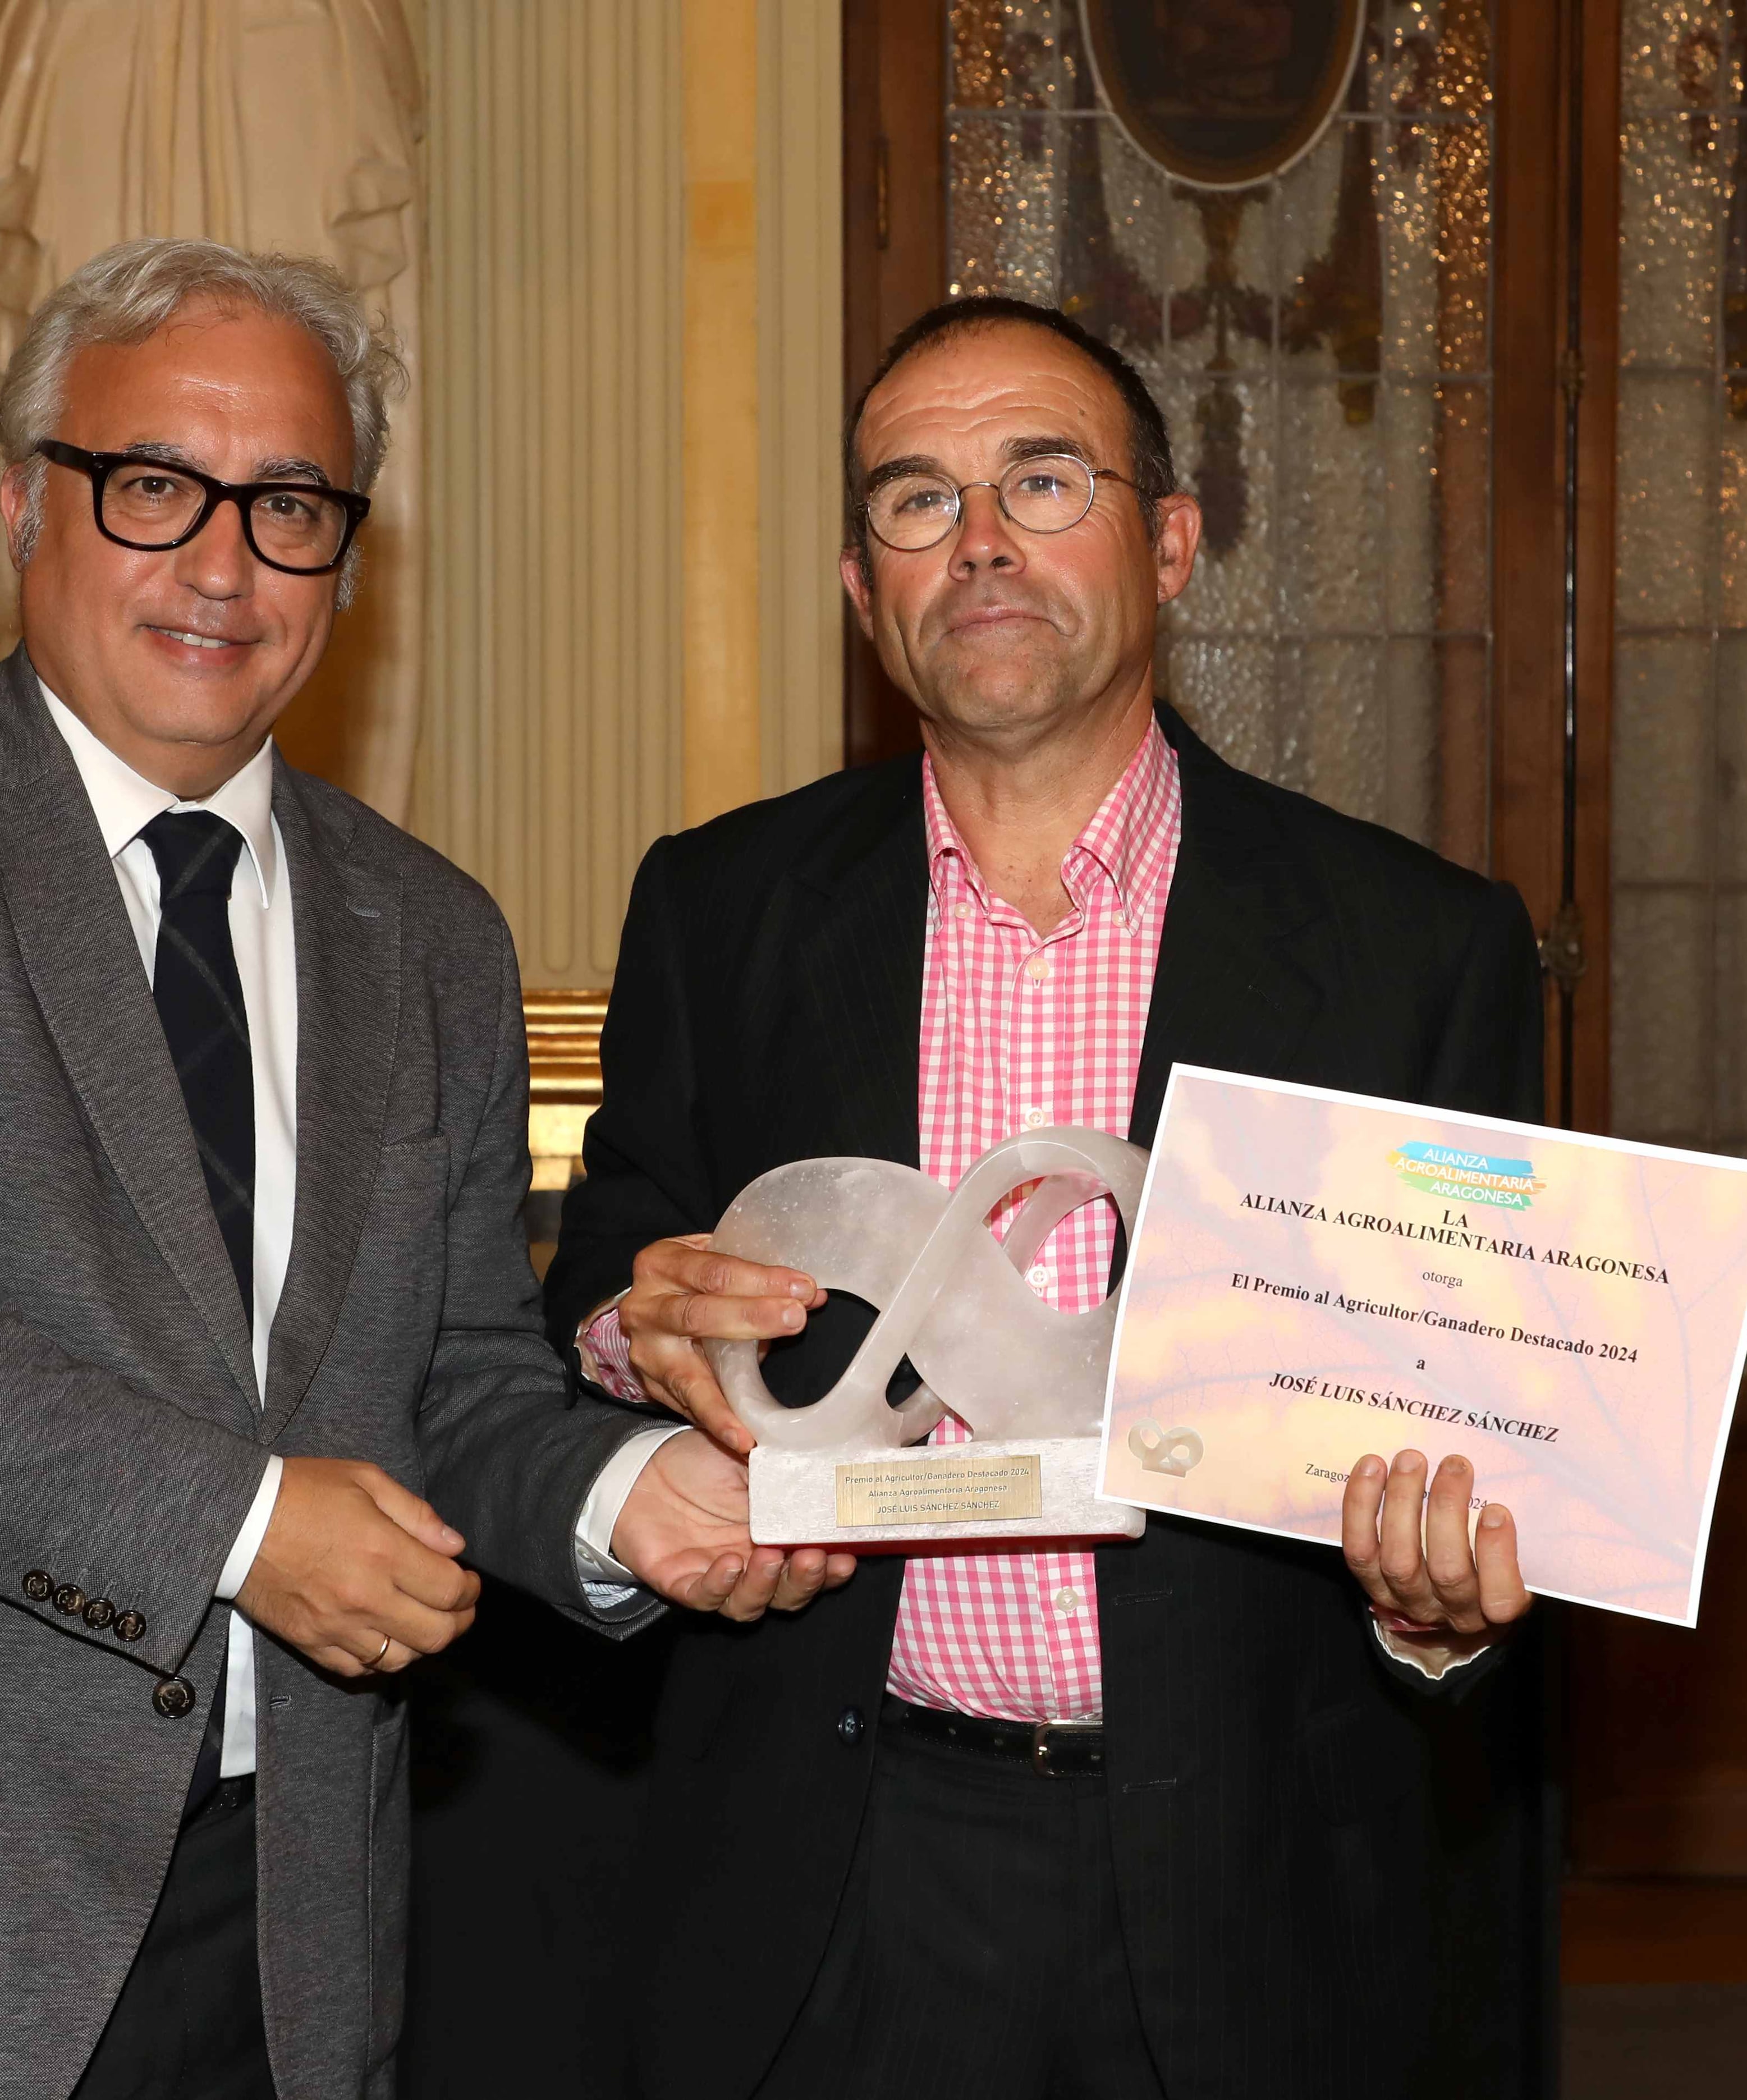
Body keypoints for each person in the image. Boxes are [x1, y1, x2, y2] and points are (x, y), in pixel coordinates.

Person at [0, 239, 840, 2100]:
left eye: (290, 504)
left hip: (286, 1924)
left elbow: (452, 1374)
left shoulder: (428, 930)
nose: (223, 563)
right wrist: (240, 1525)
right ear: (21, 499)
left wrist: (633, 1497)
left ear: (350, 558)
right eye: (154, 487)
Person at [545, 295, 1553, 2099]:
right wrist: (649, 1333)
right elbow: (603, 1281)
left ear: (1169, 542)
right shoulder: (721, 905)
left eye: (1042, 477)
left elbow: (1470, 1415)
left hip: (1258, 1869)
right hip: (840, 1850)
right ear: (866, 591)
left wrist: (1436, 1601)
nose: (983, 539)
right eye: (917, 501)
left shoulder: (1416, 947)